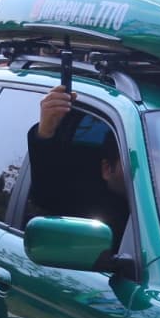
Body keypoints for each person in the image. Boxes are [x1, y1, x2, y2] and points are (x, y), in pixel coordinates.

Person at [27, 86, 130, 247]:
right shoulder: (80, 208)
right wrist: (45, 134)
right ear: (107, 169)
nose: (152, 176)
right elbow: (43, 198)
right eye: (131, 163)